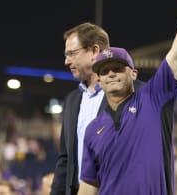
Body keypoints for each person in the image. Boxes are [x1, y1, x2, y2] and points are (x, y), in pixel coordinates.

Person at [78, 0, 177, 195]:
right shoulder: (93, 129)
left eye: (118, 68)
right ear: (98, 80)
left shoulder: (154, 99)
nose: (111, 74)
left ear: (133, 74)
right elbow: (90, 184)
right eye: (105, 71)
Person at [50, 22, 142, 195]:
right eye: (66, 55)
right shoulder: (71, 101)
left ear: (94, 51)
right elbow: (65, 160)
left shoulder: (136, 95)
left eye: (72, 54)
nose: (66, 61)